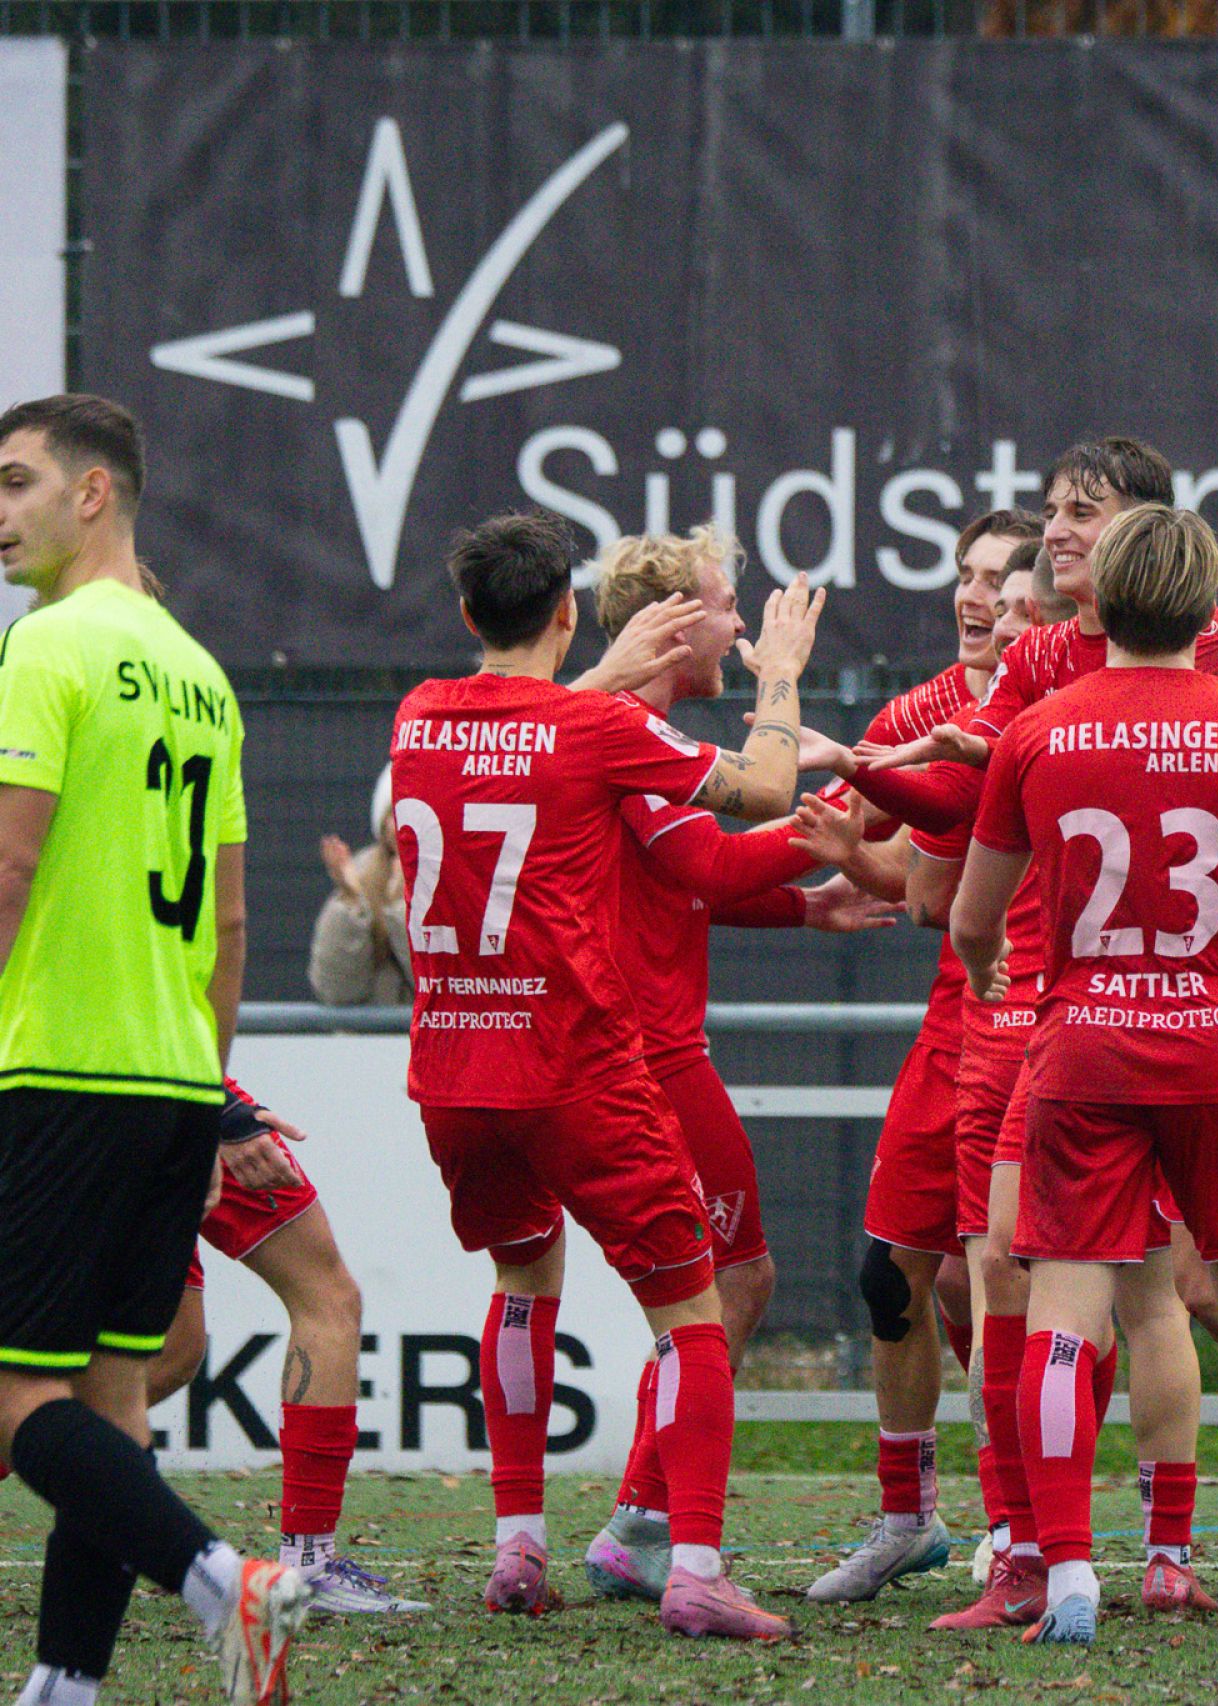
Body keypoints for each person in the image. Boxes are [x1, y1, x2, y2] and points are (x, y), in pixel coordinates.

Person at [388, 509, 818, 1640]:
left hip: (453, 1071)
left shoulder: (418, 715)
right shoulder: (590, 730)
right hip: (574, 1066)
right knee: (694, 1310)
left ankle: (517, 1544)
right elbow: (766, 789)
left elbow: (505, 742)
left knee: (522, 1282)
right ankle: (694, 1567)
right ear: (569, 613)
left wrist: (598, 682)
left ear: (469, 613)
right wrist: (781, 676)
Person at [946, 502, 1218, 1645]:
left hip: (1082, 1047)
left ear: (1102, 596)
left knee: (1061, 1315)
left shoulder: (1037, 728)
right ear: (1205, 608)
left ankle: (1067, 1573)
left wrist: (987, 971)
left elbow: (972, 917)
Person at [853, 440, 1218, 1626]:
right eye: (1050, 514)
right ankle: (1030, 1549)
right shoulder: (1035, 662)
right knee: (1001, 1270)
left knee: (1180, 1289)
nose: (1056, 534)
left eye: (1082, 512)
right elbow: (958, 836)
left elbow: (960, 876)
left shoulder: (1212, 651)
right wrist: (871, 769)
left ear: (1146, 533)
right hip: (1052, 1015)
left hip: (1151, 1011)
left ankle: (1195, 1542)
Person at [0, 393, 307, 1705]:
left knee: (22, 1406)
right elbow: (231, 923)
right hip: (175, 1078)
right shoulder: (198, 671)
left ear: (92, 493)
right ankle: (66, 1683)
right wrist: (210, 1093)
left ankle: (218, 1576)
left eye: (15, 481)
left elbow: (10, 865)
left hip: (61, 1068)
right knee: (115, 1399)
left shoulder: (48, 643)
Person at [570, 525, 899, 1605]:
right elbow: (712, 859)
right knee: (731, 1280)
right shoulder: (626, 734)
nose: (743, 624)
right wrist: (822, 812)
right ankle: (640, 1522)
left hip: (639, 1047)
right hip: (645, 1056)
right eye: (724, 605)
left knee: (701, 1282)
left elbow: (680, 884)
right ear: (673, 624)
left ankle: (626, 1521)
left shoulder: (640, 733)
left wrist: (806, 904)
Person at [781, 505, 1039, 1606]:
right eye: (967, 576)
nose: (976, 599)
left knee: (1128, 1287)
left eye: (1001, 583)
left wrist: (863, 859)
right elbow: (878, 862)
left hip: (1049, 1011)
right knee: (893, 1272)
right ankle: (910, 1518)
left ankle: (1030, 1524)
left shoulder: (1051, 702)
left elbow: (924, 886)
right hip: (960, 1014)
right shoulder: (919, 712)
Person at [147, 1078, 427, 1616]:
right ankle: (310, 1565)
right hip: (170, 1093)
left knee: (172, 1350)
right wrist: (225, 1112)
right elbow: (183, 1021)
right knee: (326, 1297)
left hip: (65, 1099)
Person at [308, 765, 408, 1005]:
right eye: (395, 813)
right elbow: (336, 991)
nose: (404, 826)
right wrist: (352, 900)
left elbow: (442, 985)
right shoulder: (362, 874)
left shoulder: (460, 883)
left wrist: (403, 908)